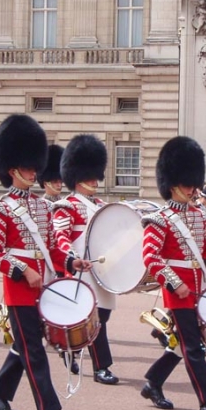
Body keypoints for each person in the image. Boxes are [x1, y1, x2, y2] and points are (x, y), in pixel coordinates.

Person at [0, 114, 88, 410]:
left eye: (34, 165)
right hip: (19, 290)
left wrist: (71, 262)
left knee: (25, 347)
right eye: (28, 167)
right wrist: (22, 271)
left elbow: (53, 247)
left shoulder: (43, 207)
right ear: (12, 169)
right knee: (35, 351)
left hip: (43, 287)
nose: (34, 171)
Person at [138, 136, 206, 410]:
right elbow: (151, 257)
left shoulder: (200, 215)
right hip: (177, 289)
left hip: (198, 286)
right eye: (186, 183)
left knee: (183, 343)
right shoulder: (159, 218)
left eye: (193, 182)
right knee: (194, 346)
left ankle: (153, 382)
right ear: (172, 184)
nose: (192, 188)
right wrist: (173, 282)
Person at [52, 133, 119, 385]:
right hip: (82, 269)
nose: (94, 180)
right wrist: (73, 258)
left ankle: (71, 348)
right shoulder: (67, 205)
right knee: (96, 319)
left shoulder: (101, 204)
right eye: (90, 175)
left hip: (102, 270)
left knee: (102, 316)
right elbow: (61, 237)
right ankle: (102, 367)